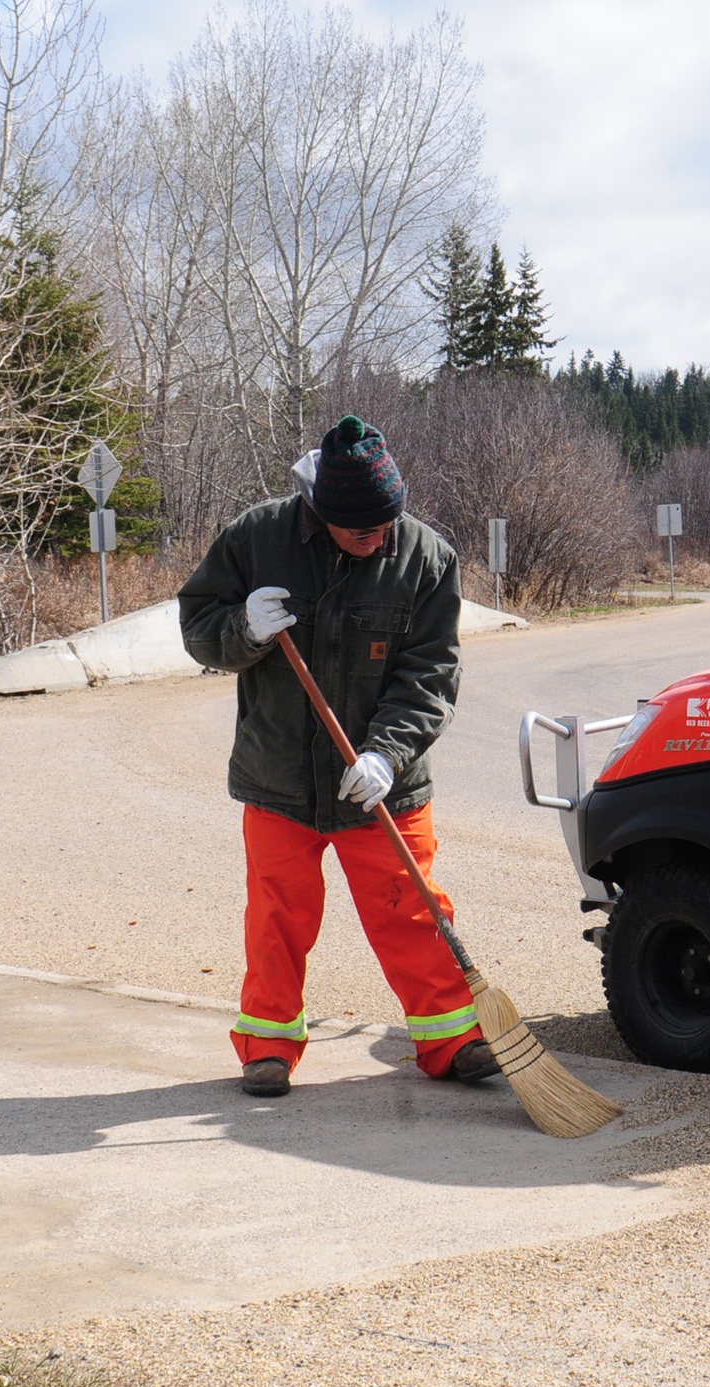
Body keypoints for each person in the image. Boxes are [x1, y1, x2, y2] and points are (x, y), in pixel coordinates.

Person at [178, 415, 498, 1099]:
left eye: (387, 526)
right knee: (276, 917)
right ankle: (266, 1045)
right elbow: (200, 630)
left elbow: (431, 675)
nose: (378, 540)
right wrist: (243, 629)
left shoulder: (426, 558)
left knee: (411, 907)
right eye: (362, 532)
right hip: (280, 779)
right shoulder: (256, 540)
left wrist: (386, 754)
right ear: (321, 513)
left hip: (386, 784)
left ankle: (451, 1040)